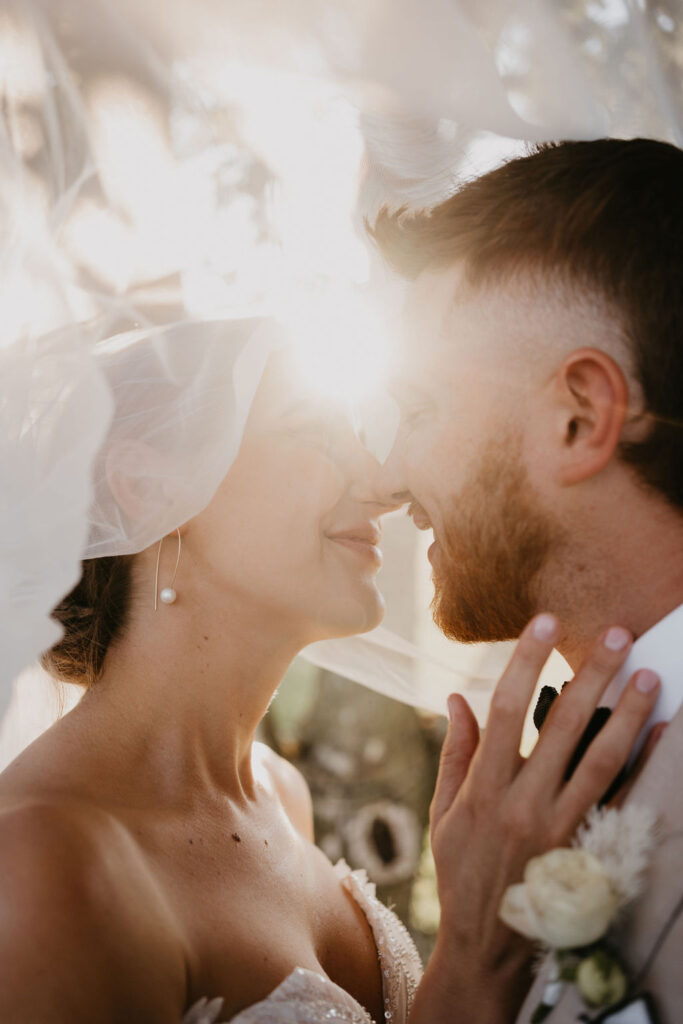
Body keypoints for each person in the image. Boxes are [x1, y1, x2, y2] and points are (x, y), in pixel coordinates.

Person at [0, 338, 659, 1023]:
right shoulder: (38, 866)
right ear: (150, 490)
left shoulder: (281, 796)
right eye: (312, 432)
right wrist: (471, 950)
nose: (382, 485)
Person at [372, 137, 683, 1022]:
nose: (392, 475)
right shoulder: (534, 801)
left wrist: (476, 951)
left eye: (422, 408)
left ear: (581, 419)